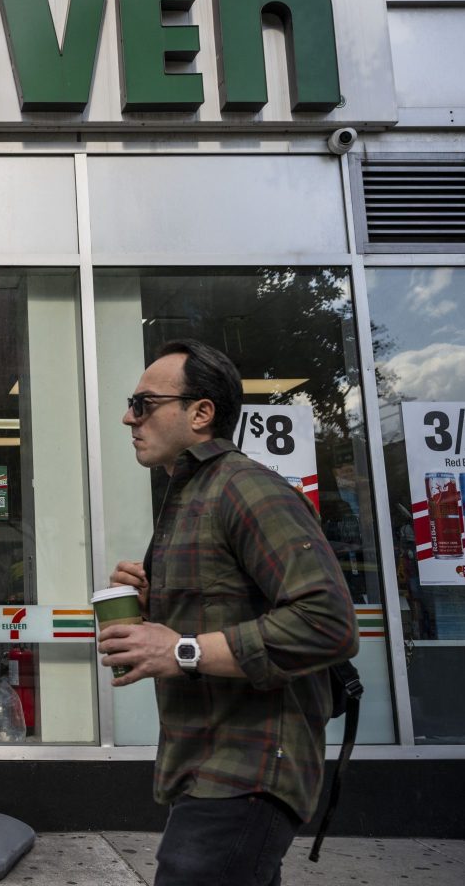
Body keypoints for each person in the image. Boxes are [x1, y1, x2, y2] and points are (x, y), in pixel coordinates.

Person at [98, 339, 358, 886]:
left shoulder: (246, 487)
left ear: (200, 413)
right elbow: (224, 607)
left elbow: (328, 622)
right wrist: (155, 603)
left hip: (250, 765)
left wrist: (181, 650)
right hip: (207, 764)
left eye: (143, 404)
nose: (129, 418)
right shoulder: (193, 493)